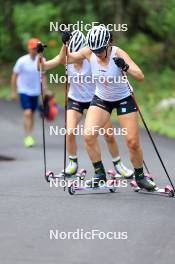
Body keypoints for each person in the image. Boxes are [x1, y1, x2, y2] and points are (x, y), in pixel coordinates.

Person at [58, 26, 156, 190]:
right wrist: (65, 44)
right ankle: (99, 174)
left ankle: (140, 176)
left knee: (132, 142)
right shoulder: (89, 52)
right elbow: (65, 59)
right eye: (95, 50)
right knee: (88, 136)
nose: (98, 54)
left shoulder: (118, 53)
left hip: (123, 98)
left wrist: (125, 66)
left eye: (101, 50)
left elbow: (140, 76)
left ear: (109, 43)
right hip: (102, 98)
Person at [37, 30, 133, 178]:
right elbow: (41, 67)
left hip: (96, 99)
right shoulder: (67, 58)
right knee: (69, 131)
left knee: (108, 134)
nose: (77, 58)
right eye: (73, 54)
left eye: (78, 54)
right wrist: (40, 54)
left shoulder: (91, 57)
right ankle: (72, 164)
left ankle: (118, 165)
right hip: (75, 99)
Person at [11, 38, 47, 147]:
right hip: (24, 90)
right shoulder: (21, 61)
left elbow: (43, 76)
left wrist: (44, 91)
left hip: (35, 91)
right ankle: (27, 136)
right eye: (33, 48)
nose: (35, 50)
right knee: (27, 113)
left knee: (32, 114)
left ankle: (29, 135)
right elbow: (14, 75)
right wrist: (13, 91)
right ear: (29, 48)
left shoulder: (42, 60)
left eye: (36, 48)